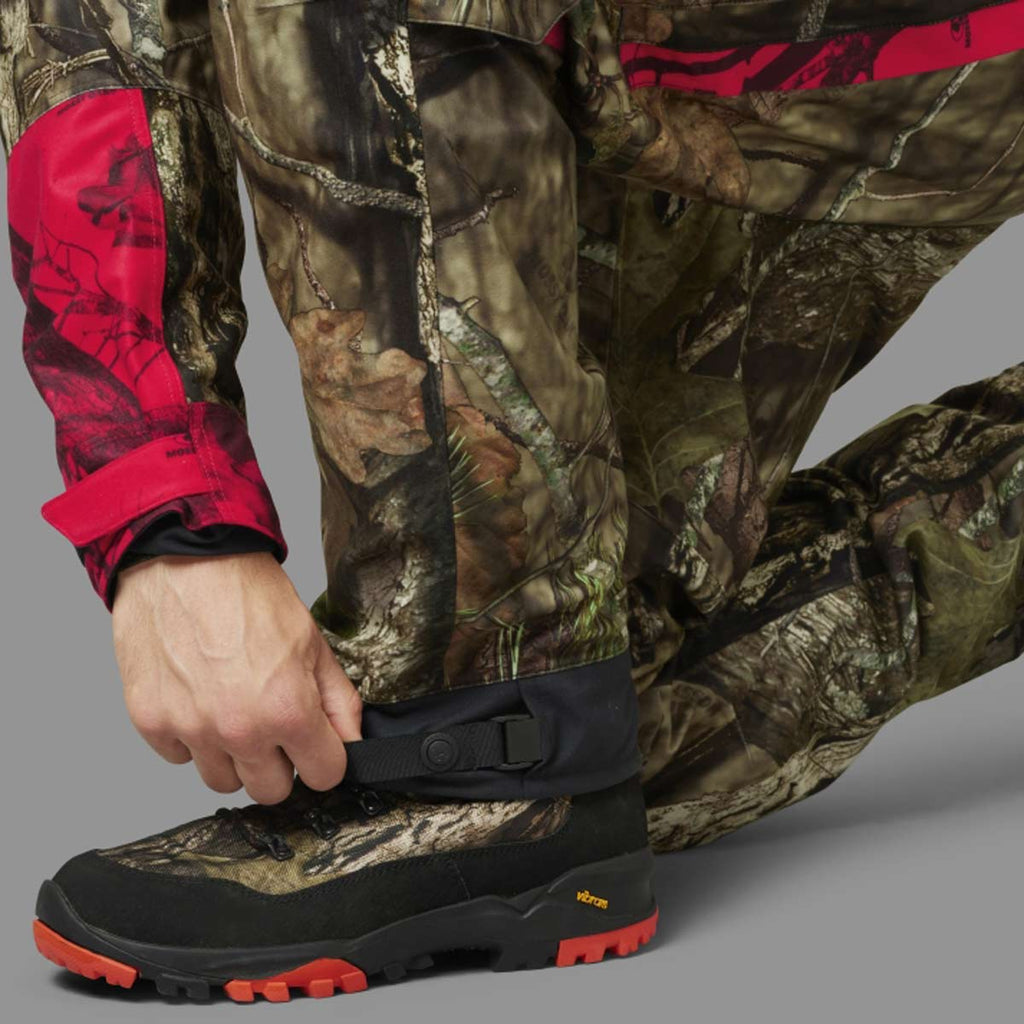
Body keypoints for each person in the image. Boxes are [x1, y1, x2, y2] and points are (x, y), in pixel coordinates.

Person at [3, 0, 1021, 1003]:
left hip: (910, 58)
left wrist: (169, 510)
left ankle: (477, 734)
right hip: (616, 67)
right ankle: (500, 752)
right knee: (600, 713)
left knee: (533, 703)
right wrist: (168, 517)